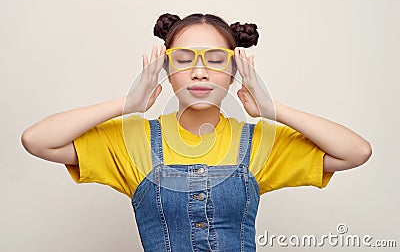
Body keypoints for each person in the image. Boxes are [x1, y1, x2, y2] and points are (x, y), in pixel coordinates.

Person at [21, 13, 372, 251]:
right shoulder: (133, 141)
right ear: (166, 70)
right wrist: (127, 105)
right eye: (184, 59)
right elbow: (37, 140)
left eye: (216, 60)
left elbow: (356, 152)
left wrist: (271, 110)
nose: (200, 72)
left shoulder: (258, 143)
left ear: (235, 70)